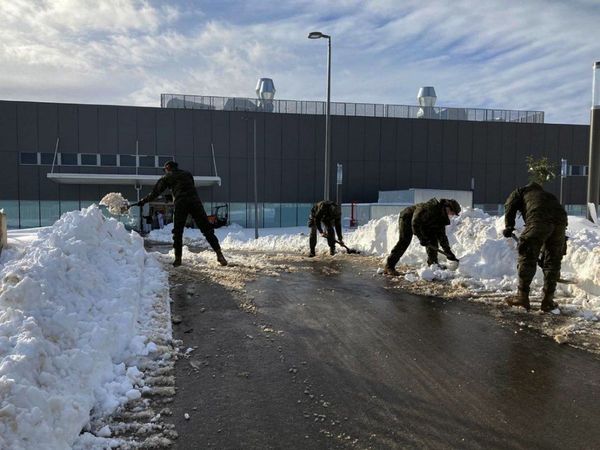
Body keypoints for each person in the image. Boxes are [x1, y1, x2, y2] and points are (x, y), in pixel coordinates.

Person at [138, 161, 227, 267]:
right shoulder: (187, 174)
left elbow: (155, 193)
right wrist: (172, 196)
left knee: (178, 232)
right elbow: (186, 189)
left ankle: (178, 259)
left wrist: (143, 201)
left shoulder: (167, 177)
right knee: (207, 230)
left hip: (181, 204)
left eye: (165, 170)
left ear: (168, 168)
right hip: (196, 203)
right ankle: (219, 254)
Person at [502, 181, 567, 312]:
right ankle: (548, 301)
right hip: (560, 223)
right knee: (552, 261)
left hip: (538, 220)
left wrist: (509, 226)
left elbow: (509, 205)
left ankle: (522, 297)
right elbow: (552, 221)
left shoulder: (520, 192)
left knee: (527, 255)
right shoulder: (548, 195)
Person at [384, 198, 461, 276]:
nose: (451, 215)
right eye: (452, 213)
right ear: (447, 207)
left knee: (433, 240)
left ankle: (433, 265)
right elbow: (415, 222)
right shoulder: (430, 208)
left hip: (423, 223)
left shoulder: (441, 217)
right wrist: (422, 238)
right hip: (408, 217)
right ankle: (389, 266)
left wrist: (448, 252)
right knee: (404, 241)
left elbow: (442, 236)